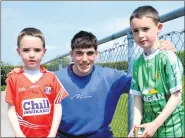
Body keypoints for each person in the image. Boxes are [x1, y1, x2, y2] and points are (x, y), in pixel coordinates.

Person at [7, 30, 176, 138]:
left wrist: (158, 52)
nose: (85, 59)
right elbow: (28, 89)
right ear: (71, 54)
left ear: (97, 55)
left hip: (100, 134)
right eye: (79, 53)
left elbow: (146, 83)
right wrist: (19, 72)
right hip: (64, 135)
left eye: (90, 53)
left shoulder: (112, 76)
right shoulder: (53, 78)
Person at [128, 5, 184, 138]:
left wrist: (155, 124)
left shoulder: (168, 57)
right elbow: (138, 98)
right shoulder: (137, 64)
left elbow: (176, 97)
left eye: (145, 29)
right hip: (148, 128)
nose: (140, 35)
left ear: (159, 28)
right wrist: (136, 126)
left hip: (171, 130)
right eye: (135, 31)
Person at [5, 27, 68, 137]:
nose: (32, 55)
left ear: (44, 52)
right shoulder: (13, 78)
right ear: (18, 52)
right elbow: (11, 109)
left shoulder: (51, 77)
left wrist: (52, 134)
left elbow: (58, 106)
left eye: (37, 50)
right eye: (26, 50)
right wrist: (19, 134)